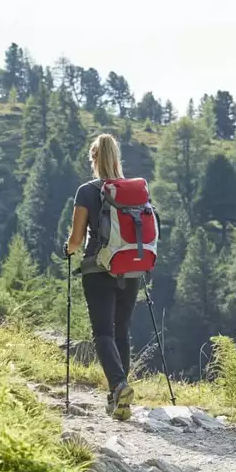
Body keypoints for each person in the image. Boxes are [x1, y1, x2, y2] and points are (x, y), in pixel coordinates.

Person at [65, 133, 138, 421]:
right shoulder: (133, 190)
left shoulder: (87, 191)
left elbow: (76, 238)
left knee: (103, 333)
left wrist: (68, 250)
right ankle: (118, 398)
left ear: (94, 158)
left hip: (98, 268)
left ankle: (119, 385)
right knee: (122, 329)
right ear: (117, 158)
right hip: (131, 268)